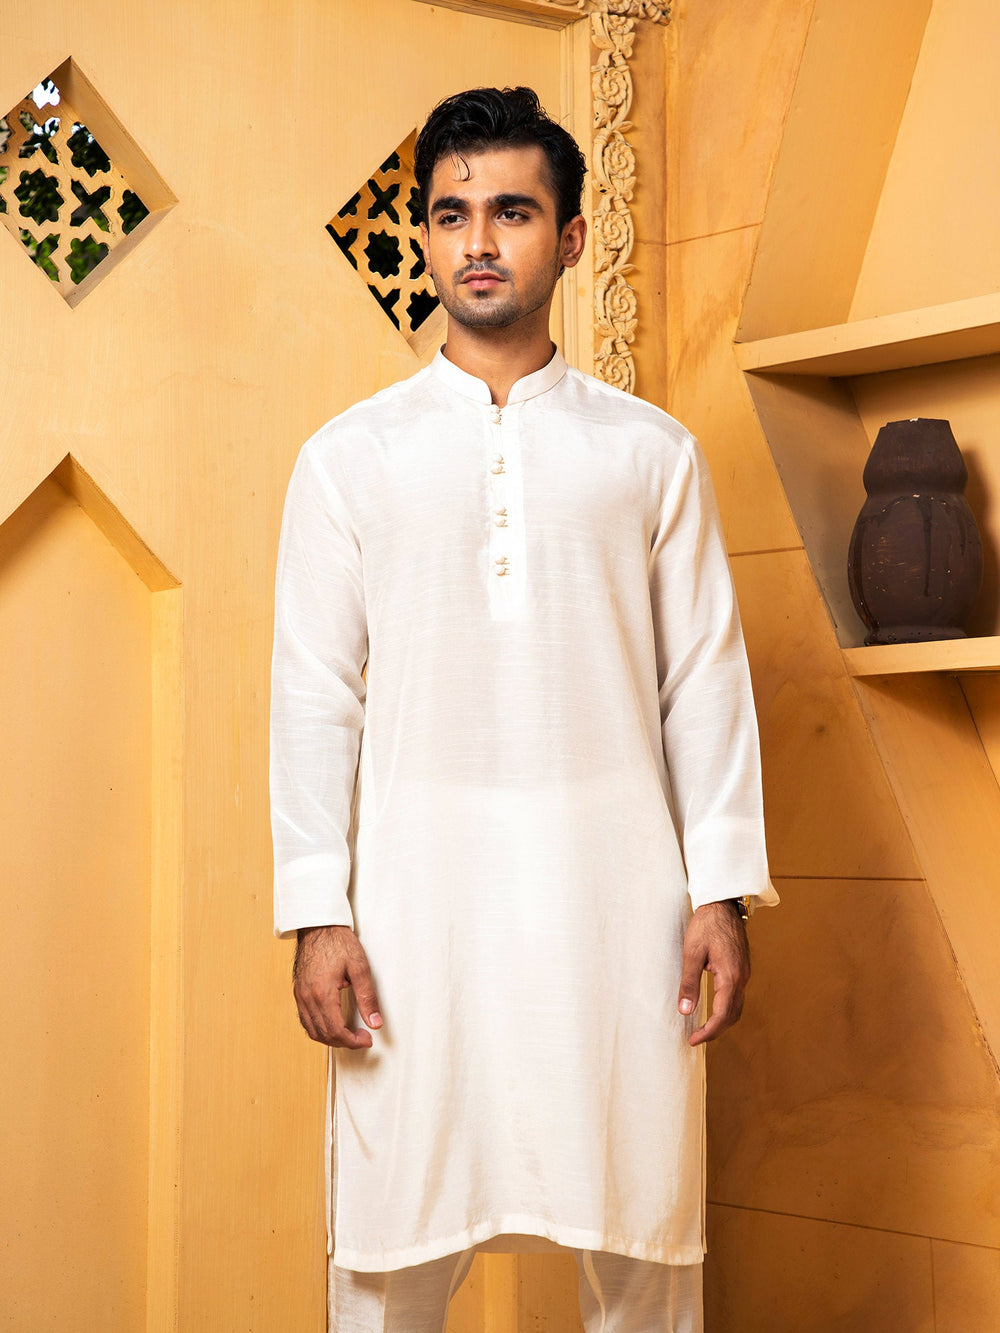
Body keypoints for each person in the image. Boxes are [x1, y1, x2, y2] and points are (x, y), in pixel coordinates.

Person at [270, 85, 777, 1333]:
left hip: (616, 898)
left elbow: (702, 678)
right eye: (451, 216)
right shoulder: (348, 457)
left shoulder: (649, 453)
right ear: (424, 240)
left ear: (571, 238)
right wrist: (317, 912)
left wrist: (718, 890)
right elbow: (313, 694)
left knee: (641, 1233)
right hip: (412, 904)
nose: (479, 242)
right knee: (390, 1245)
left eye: (511, 211)